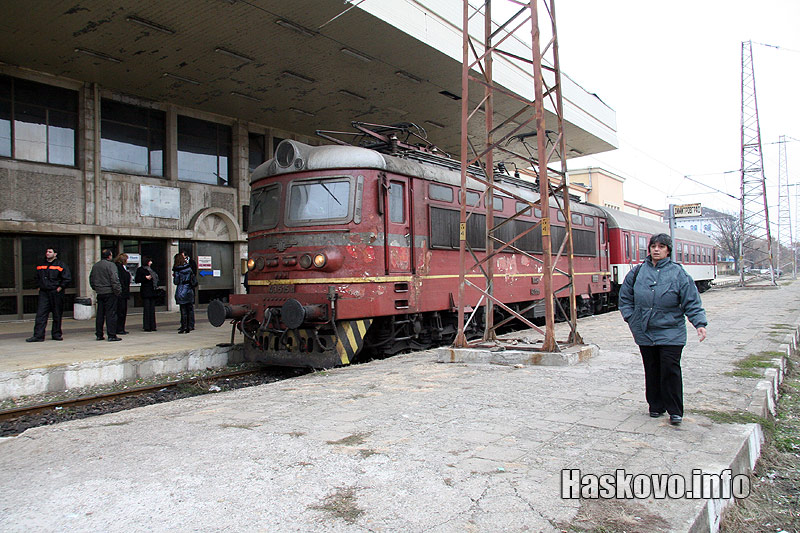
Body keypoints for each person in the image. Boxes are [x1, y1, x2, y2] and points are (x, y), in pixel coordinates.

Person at [619, 233, 707, 426]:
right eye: (653, 246)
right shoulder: (637, 272)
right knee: (651, 369)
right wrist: (631, 318)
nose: (656, 250)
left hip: (671, 331)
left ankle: (675, 410)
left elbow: (691, 301)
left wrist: (699, 324)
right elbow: (625, 298)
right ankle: (656, 406)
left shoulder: (679, 273)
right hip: (644, 330)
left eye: (661, 246)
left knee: (670, 369)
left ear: (668, 250)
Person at [26, 247, 72, 342]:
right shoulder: (41, 265)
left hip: (55, 292)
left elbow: (67, 278)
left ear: (55, 254)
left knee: (57, 314)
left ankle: (56, 334)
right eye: (47, 251)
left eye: (50, 252)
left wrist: (60, 288)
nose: (47, 253)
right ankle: (38, 336)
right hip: (44, 292)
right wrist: (38, 286)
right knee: (41, 314)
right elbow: (36, 277)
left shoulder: (61, 265)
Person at [90, 249, 122, 342]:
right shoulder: (111, 265)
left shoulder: (96, 266)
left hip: (100, 292)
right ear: (109, 256)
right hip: (110, 292)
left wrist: (96, 288)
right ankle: (111, 335)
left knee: (100, 314)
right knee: (111, 314)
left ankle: (99, 334)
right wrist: (118, 291)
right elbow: (114, 279)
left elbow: (91, 279)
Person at [172, 252, 195, 334]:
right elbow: (193, 279)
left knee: (183, 310)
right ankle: (190, 325)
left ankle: (184, 326)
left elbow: (176, 281)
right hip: (189, 290)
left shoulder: (177, 270)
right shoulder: (189, 268)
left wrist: (174, 276)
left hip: (181, 290)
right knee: (190, 309)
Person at [135, 256, 159, 332]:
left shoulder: (151, 270)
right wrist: (145, 278)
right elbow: (137, 279)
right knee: (147, 309)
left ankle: (152, 325)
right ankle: (147, 326)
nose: (151, 263)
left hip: (152, 291)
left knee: (152, 309)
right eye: (150, 261)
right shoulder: (141, 270)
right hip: (146, 291)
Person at [114, 253, 131, 335]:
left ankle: (120, 328)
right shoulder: (119, 268)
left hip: (122, 293)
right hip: (121, 293)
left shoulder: (120, 267)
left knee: (121, 311)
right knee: (121, 311)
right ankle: (119, 328)